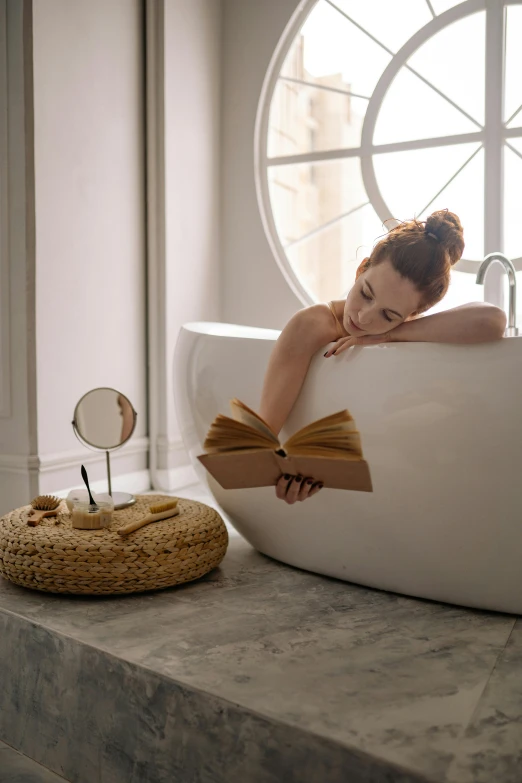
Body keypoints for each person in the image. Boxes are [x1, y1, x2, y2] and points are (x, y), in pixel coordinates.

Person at [258, 209, 506, 504]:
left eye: (389, 314)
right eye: (366, 293)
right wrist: (280, 469)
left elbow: (493, 320)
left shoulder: (399, 331)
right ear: (362, 268)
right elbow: (261, 437)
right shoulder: (313, 324)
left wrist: (390, 335)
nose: (363, 318)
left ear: (413, 315)